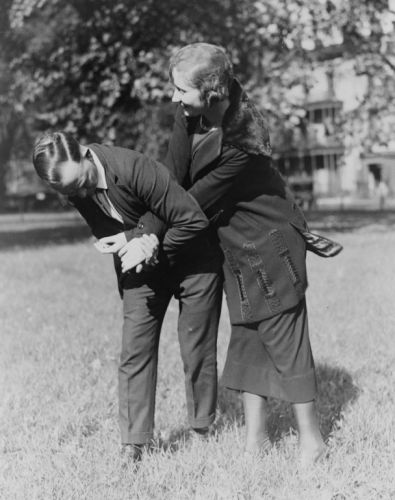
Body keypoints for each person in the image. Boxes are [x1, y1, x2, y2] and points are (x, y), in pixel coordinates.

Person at [122, 43, 342, 464]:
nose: (174, 98)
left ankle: (313, 444)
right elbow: (174, 174)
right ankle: (254, 443)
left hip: (272, 247)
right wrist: (145, 230)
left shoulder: (244, 140)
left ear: (213, 91)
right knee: (246, 343)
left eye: (181, 91)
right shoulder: (193, 110)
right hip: (237, 250)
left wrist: (147, 236)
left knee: (285, 341)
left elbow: (190, 200)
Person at [32, 131, 223, 460]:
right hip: (142, 265)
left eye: (82, 182)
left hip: (193, 257)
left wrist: (147, 239)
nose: (81, 193)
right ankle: (134, 443)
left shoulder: (134, 167)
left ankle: (202, 427)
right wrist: (127, 241)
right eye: (71, 191)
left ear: (85, 153)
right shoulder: (75, 187)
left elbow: (192, 219)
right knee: (134, 348)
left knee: (197, 347)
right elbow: (111, 227)